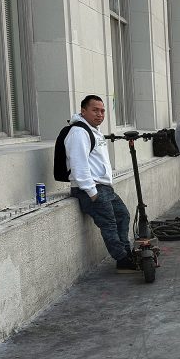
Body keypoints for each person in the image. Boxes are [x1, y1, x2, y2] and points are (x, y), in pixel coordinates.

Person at [66, 95, 136, 273]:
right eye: (95, 110)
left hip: (104, 187)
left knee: (123, 215)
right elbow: (78, 164)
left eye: (102, 110)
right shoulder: (78, 132)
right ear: (83, 111)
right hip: (92, 188)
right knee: (109, 224)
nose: (100, 114)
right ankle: (122, 260)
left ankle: (126, 254)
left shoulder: (93, 130)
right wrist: (91, 192)